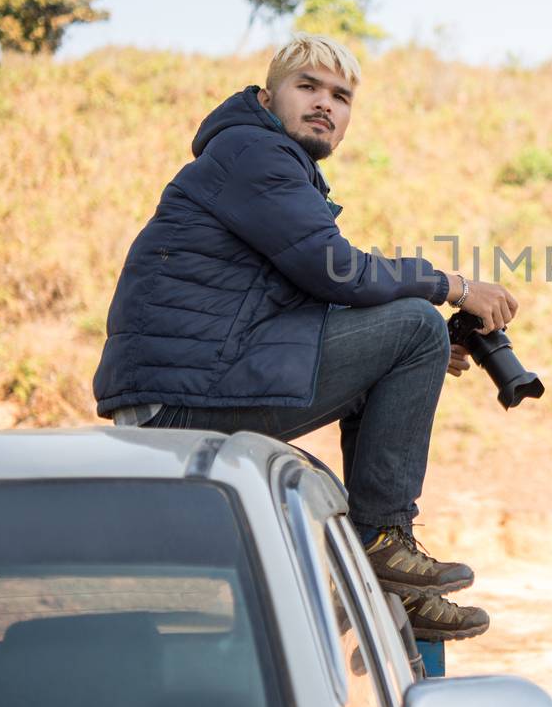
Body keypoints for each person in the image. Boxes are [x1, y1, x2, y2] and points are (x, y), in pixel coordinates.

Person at [92, 33, 518, 640]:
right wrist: (450, 286)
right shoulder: (253, 154)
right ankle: (383, 541)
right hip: (181, 402)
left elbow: (304, 296)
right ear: (269, 98)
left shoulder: (266, 165)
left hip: (195, 385)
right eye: (308, 87)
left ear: (348, 118)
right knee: (417, 321)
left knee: (412, 336)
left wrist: (410, 355)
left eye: (340, 96)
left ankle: (391, 576)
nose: (325, 104)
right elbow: (334, 268)